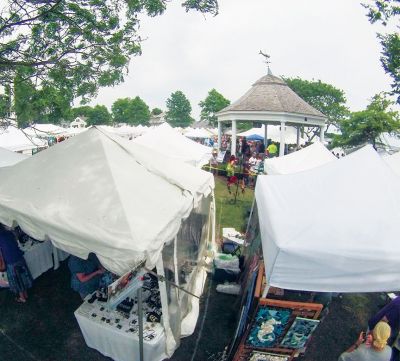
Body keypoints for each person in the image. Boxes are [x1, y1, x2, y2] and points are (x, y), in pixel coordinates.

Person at [0, 224, 33, 303]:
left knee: (17, 280)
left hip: (11, 260)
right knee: (22, 276)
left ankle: (22, 298)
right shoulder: (9, 233)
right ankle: (25, 294)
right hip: (19, 256)